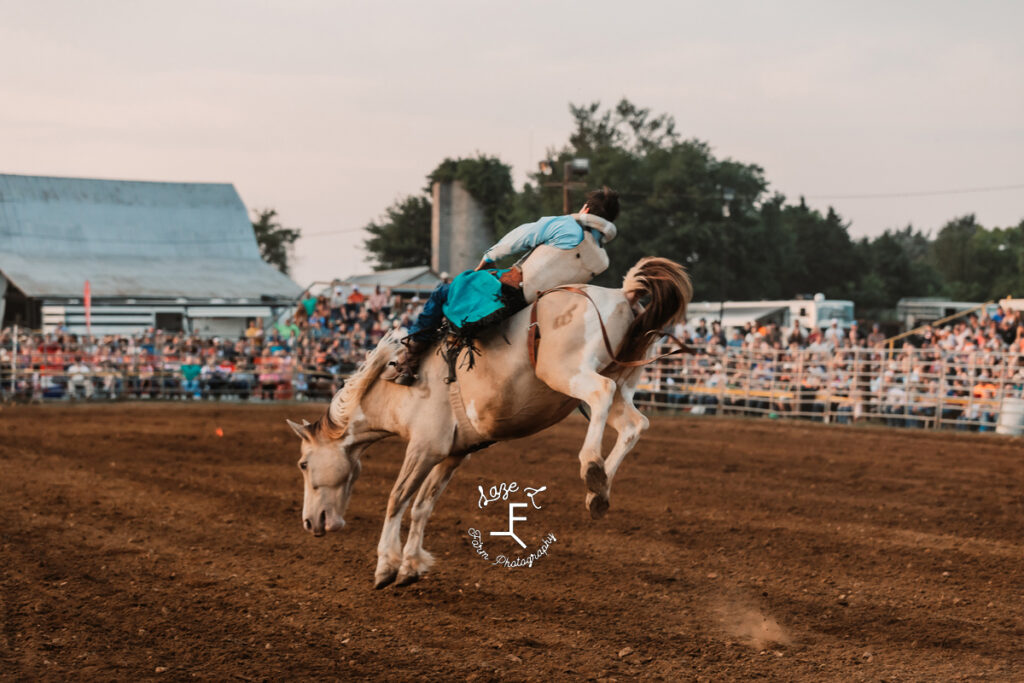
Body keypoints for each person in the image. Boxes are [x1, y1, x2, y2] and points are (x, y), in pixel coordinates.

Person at [388, 187, 621, 386]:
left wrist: (488, 258)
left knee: (442, 292)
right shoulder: (602, 260)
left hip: (509, 294)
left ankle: (408, 362)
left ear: (586, 210)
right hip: (543, 307)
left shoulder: (566, 226)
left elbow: (516, 239)